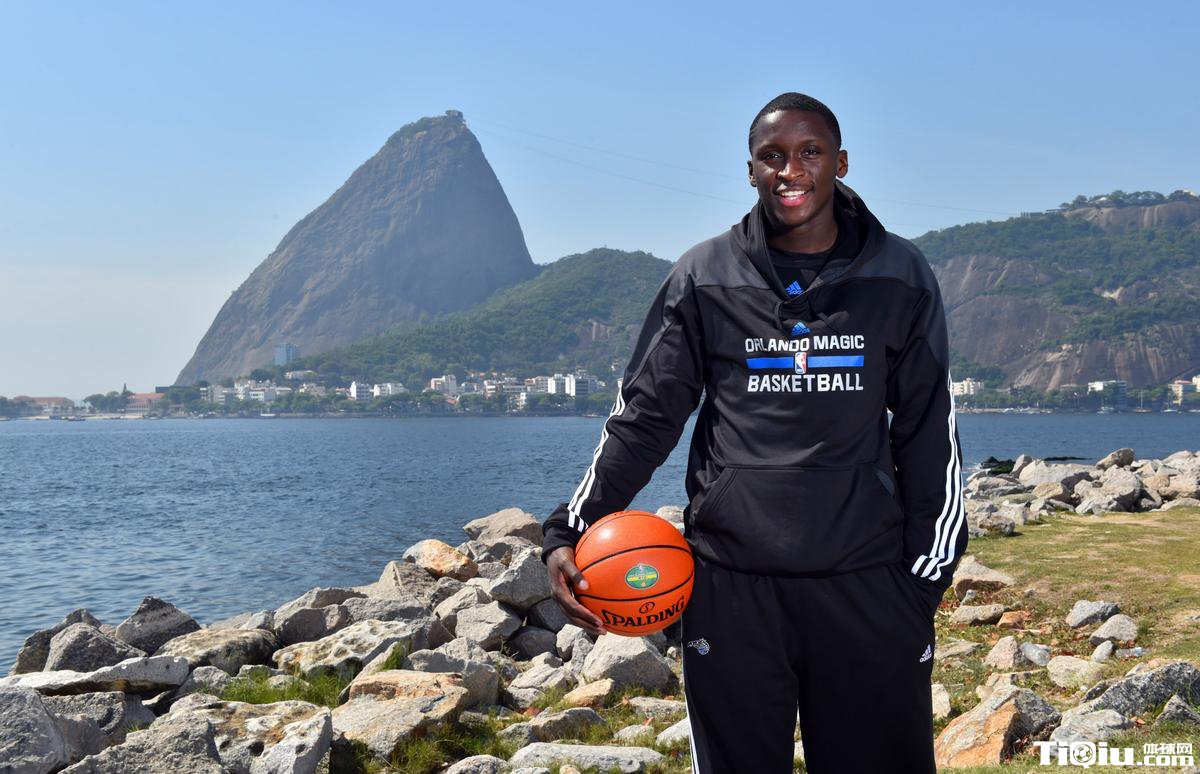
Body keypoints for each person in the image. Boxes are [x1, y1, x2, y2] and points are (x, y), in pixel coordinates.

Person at [540, 92, 967, 774]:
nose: (790, 170)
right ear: (751, 171)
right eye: (773, 156)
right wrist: (572, 528)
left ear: (841, 163)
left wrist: (922, 580)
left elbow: (928, 431)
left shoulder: (899, 273)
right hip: (731, 589)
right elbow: (647, 416)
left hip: (866, 583)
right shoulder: (704, 275)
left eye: (810, 152)